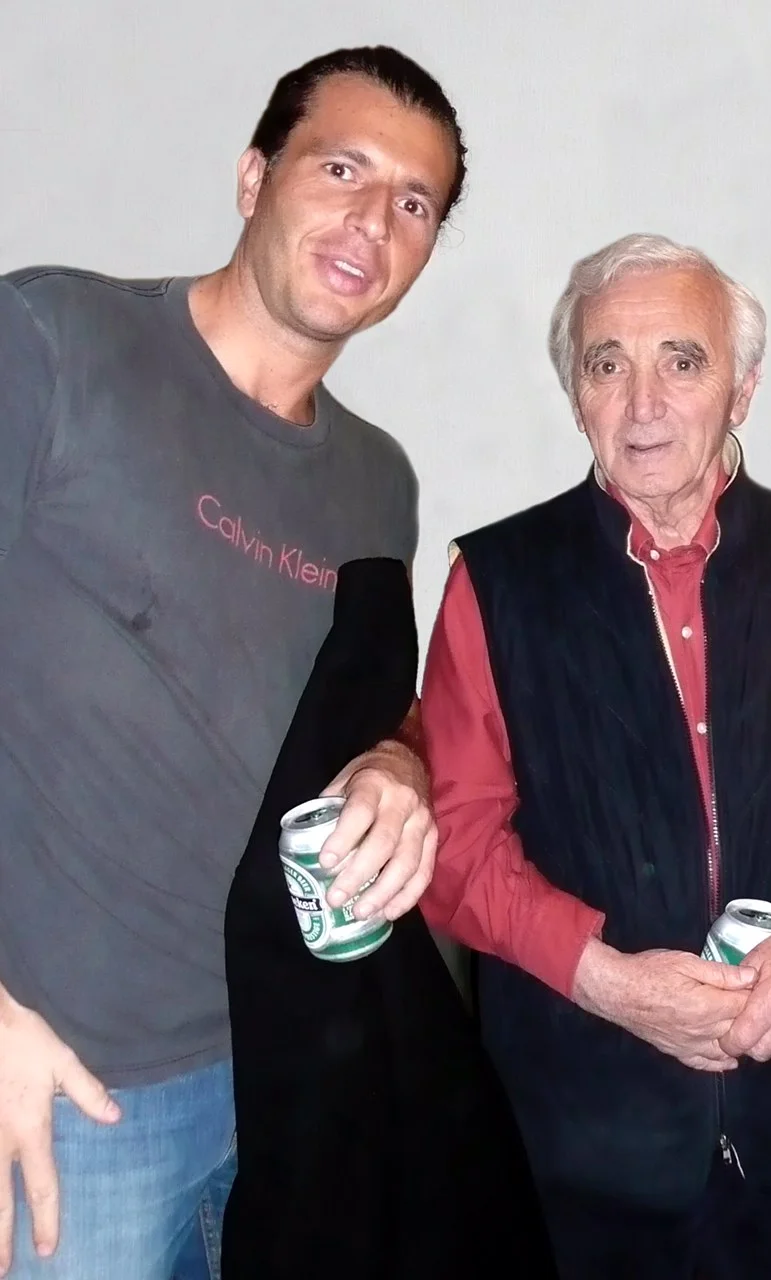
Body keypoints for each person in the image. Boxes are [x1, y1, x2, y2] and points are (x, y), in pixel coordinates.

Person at [0, 44, 465, 1280]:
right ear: (254, 176)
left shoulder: (380, 482)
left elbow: (371, 710)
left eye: (413, 202)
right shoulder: (51, 338)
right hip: (67, 1092)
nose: (374, 219)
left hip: (281, 1069)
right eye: (341, 167)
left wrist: (397, 766)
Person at [420, 232, 771, 1278]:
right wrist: (605, 977)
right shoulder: (499, 579)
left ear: (739, 391)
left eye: (680, 360)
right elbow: (458, 844)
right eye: (606, 363)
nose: (642, 399)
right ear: (577, 398)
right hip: (585, 1150)